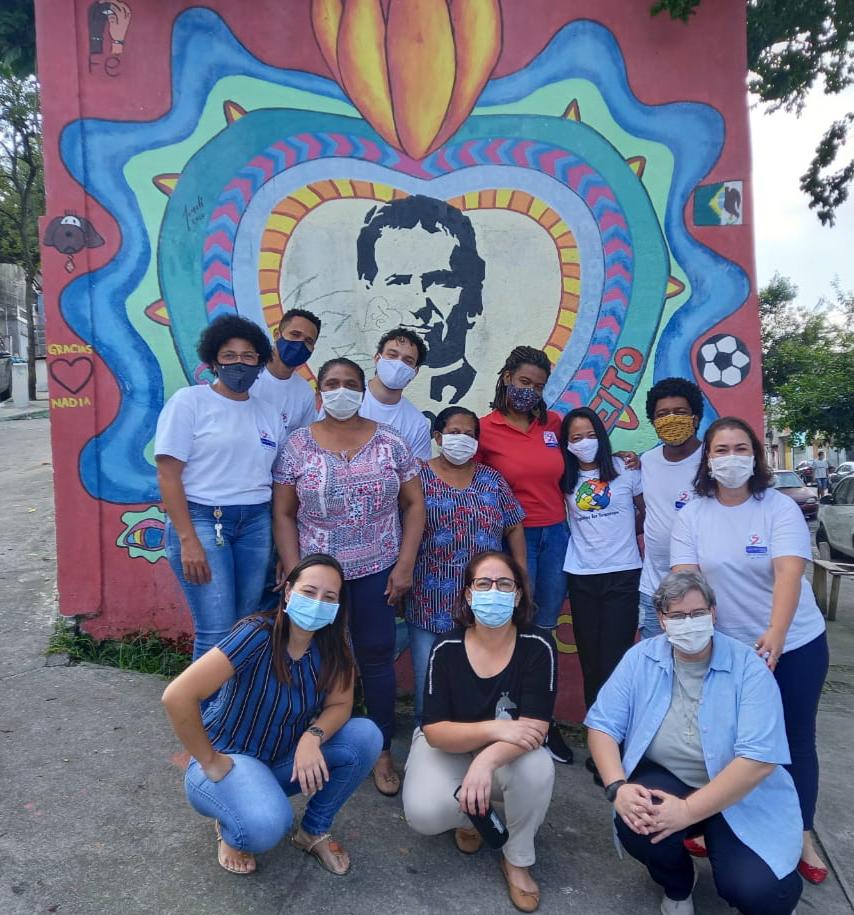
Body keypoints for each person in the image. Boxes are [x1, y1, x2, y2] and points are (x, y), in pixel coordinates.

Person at [586, 570, 803, 915]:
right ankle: (678, 885)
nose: (688, 623)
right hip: (670, 777)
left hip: (738, 793)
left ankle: (740, 860)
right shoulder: (641, 658)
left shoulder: (749, 667)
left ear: (713, 613)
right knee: (637, 822)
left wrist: (686, 812)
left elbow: (758, 761)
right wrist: (617, 787)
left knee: (762, 893)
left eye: (697, 613)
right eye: (677, 616)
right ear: (661, 619)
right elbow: (602, 725)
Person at [671, 416, 829, 883]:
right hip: (725, 649)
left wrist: (776, 634)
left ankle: (802, 833)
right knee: (722, 740)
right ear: (707, 459)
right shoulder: (693, 513)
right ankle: (714, 821)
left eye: (741, 449)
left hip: (793, 643)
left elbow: (788, 572)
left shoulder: (778, 508)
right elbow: (685, 581)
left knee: (793, 739)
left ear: (756, 456)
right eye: (721, 450)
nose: (731, 458)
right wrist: (694, 637)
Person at [161, 553, 382, 876]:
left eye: (329, 597)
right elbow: (178, 695)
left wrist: (312, 737)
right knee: (265, 827)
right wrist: (210, 760)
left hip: (281, 759)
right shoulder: (257, 634)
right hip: (229, 760)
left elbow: (340, 705)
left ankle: (312, 830)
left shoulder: (335, 643)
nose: (317, 603)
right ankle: (231, 825)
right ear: (289, 591)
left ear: (338, 607)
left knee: (366, 736)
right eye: (309, 592)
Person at [272, 357, 425, 797]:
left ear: (362, 390)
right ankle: (301, 742)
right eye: (333, 383)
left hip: (377, 570)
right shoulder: (297, 446)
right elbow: (284, 513)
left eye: (351, 383)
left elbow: (414, 504)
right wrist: (295, 573)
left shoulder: (391, 442)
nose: (342, 391)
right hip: (318, 579)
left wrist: (404, 565)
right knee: (309, 655)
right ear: (320, 392)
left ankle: (380, 749)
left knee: (376, 656)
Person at [402, 551, 556, 913]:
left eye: (505, 584)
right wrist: (495, 728)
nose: (494, 591)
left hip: (506, 753)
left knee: (538, 768)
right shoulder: (447, 647)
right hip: (450, 746)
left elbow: (535, 729)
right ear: (469, 595)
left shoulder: (538, 645)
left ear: (518, 595)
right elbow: (435, 731)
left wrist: (484, 762)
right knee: (423, 813)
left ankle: (517, 858)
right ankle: (475, 816)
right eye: (483, 584)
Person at [155, 315, 283, 664]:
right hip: (202, 521)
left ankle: (234, 698)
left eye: (248, 356)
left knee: (245, 627)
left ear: (260, 362)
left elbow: (275, 478)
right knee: (215, 631)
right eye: (229, 356)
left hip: (256, 523)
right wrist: (187, 541)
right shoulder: (189, 402)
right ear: (213, 361)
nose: (239, 364)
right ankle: (202, 702)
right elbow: (168, 475)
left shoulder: (268, 414)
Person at [476, 345, 574, 764]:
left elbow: (582, 461)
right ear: (506, 378)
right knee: (514, 624)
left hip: (558, 536)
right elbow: (472, 482)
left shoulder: (554, 424)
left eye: (538, 385)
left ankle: (542, 719)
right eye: (523, 382)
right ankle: (503, 714)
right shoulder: (484, 429)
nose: (529, 391)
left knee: (544, 629)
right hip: (513, 539)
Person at [405, 406, 526, 724]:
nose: (462, 439)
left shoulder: (491, 479)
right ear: (437, 437)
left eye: (470, 434)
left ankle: (477, 739)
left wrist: (521, 573)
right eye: (454, 432)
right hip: (429, 598)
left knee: (479, 680)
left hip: (484, 600)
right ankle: (426, 739)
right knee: (429, 682)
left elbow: (514, 525)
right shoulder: (416, 477)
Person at [356, 194, 485, 404]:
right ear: (370, 290)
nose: (419, 305)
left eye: (441, 282)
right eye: (399, 283)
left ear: (472, 297)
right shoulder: (349, 401)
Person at [560, 406, 644, 721]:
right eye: (576, 437)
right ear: (567, 444)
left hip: (623, 574)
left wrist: (622, 535)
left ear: (602, 436)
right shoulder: (564, 477)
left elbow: (644, 512)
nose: (584, 442)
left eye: (590, 434)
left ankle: (619, 730)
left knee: (616, 658)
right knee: (590, 659)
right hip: (581, 576)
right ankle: (597, 729)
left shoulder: (626, 468)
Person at [638, 378, 704, 639]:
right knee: (655, 656)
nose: (671, 419)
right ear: (653, 422)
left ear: (695, 418)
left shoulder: (712, 462)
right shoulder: (646, 462)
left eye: (680, 412)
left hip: (703, 589)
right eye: (662, 414)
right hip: (654, 588)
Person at [357, 328, 432, 460]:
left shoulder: (417, 424)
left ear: (415, 372)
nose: (398, 364)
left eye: (408, 361)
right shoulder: (347, 396)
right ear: (377, 358)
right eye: (392, 355)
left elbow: (416, 470)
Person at [250, 307, 320, 437]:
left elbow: (304, 440)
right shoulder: (247, 375)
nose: (300, 344)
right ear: (277, 335)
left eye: (308, 341)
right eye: (295, 334)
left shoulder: (305, 393)